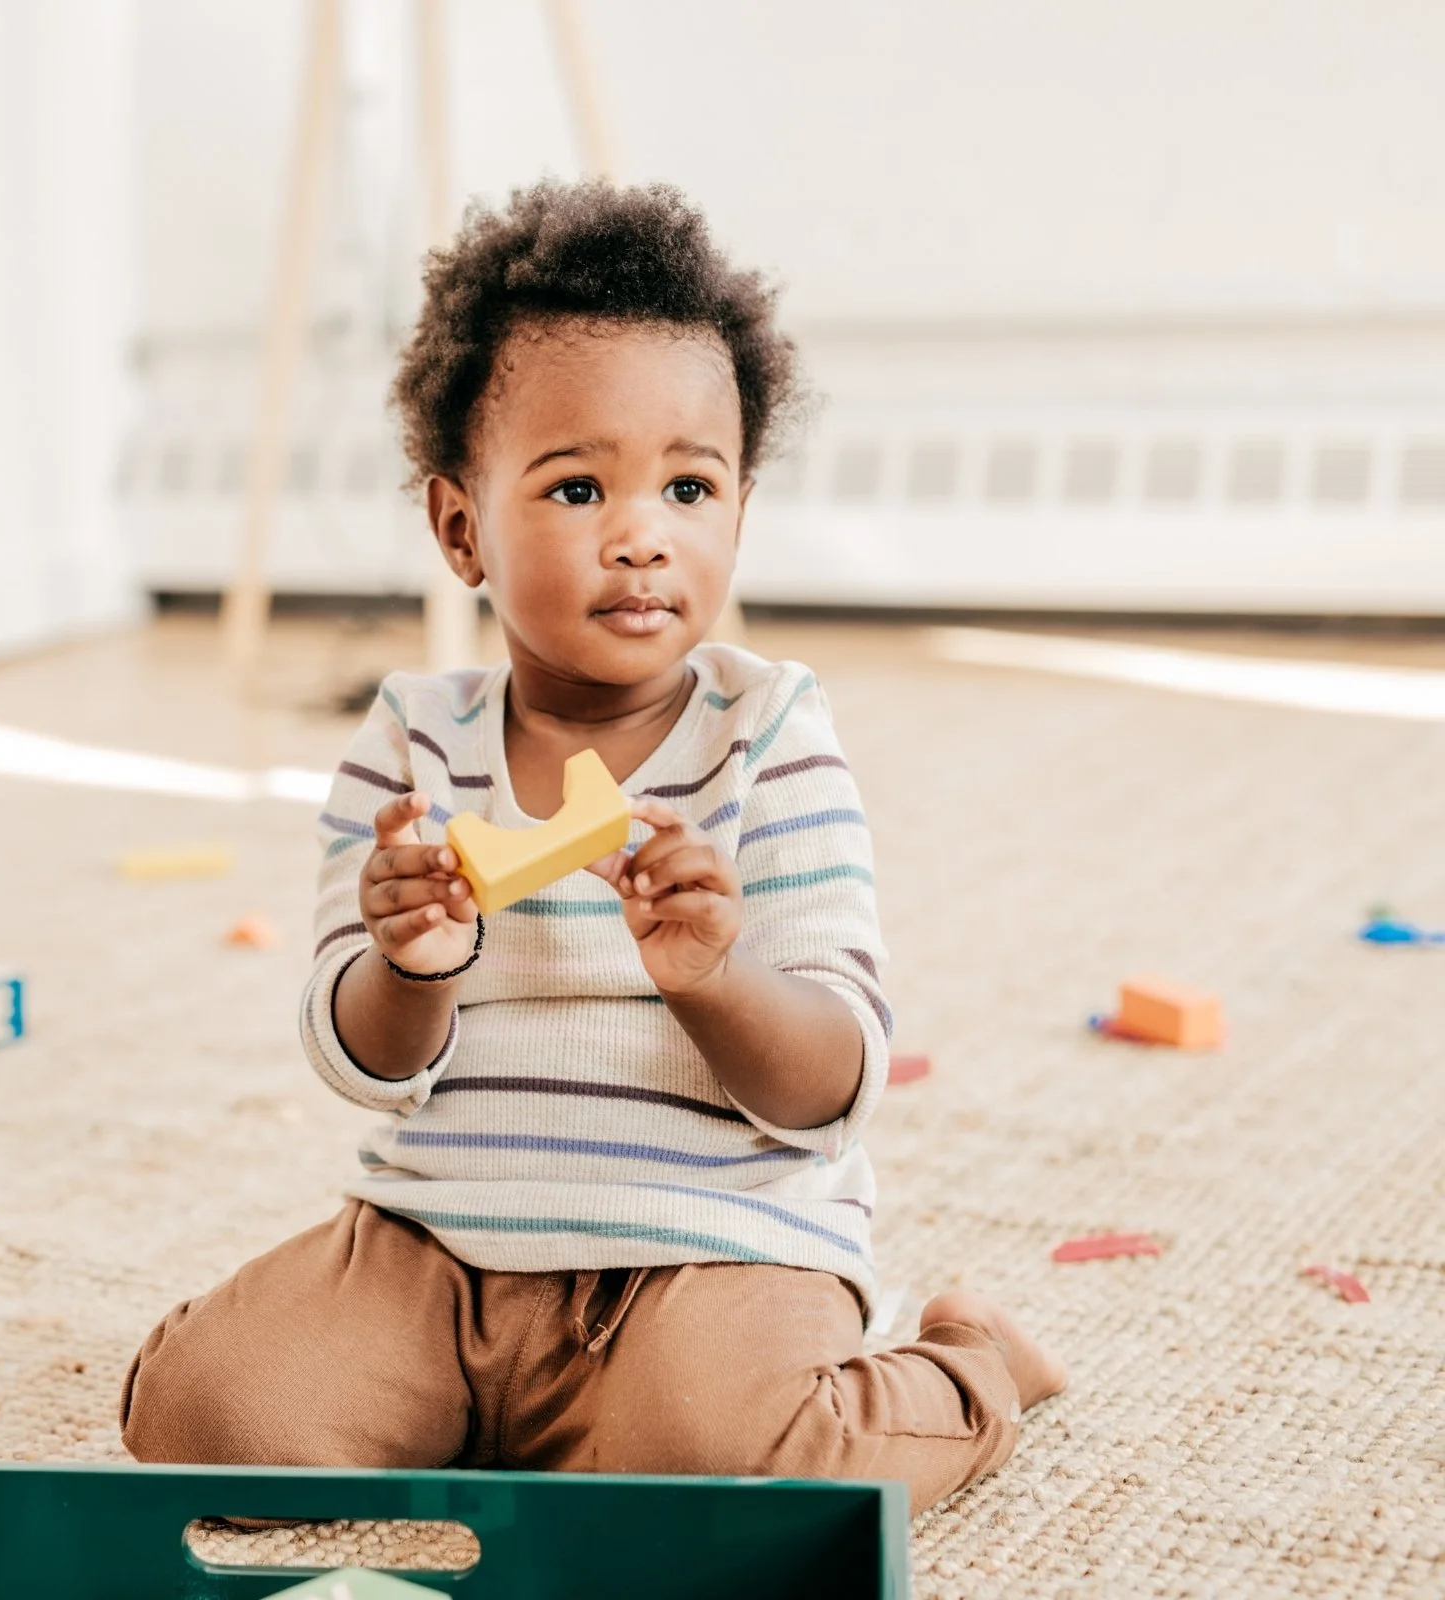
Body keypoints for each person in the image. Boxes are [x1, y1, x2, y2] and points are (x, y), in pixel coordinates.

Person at [122, 180, 1065, 1512]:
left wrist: (717, 977)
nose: (642, 534)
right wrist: (414, 961)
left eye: (691, 484)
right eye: (578, 486)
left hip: (714, 1249)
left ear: (739, 507)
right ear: (462, 529)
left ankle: (969, 1372)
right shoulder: (410, 747)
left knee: (724, 1470)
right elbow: (363, 1059)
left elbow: (832, 1082)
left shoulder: (769, 735)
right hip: (442, 1247)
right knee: (208, 1412)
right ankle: (523, 1422)